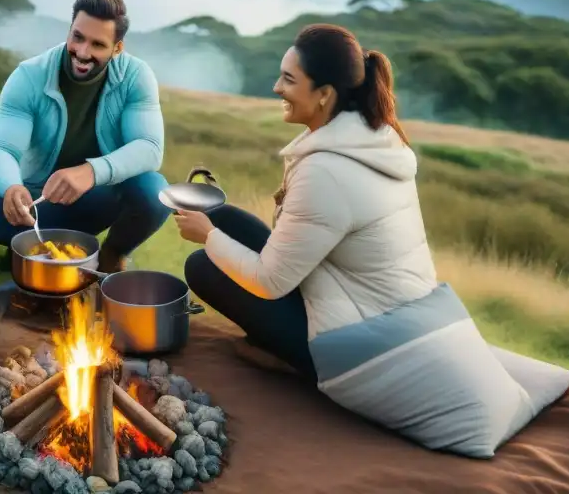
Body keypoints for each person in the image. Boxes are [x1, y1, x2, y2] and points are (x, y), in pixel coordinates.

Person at [177, 24, 438, 381]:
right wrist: (214, 227)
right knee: (223, 218)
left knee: (202, 266)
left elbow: (268, 281)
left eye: (288, 79)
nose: (276, 88)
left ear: (324, 95)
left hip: (361, 349)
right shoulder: (368, 134)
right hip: (382, 311)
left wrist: (207, 235)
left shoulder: (326, 173)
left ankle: (296, 361)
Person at [0, 0, 171, 273]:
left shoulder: (136, 76)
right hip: (39, 202)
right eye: (78, 37)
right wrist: (12, 186)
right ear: (69, 30)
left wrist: (89, 172)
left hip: (100, 197)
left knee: (154, 190)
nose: (83, 52)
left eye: (98, 44)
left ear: (117, 48)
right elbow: (2, 149)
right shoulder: (29, 76)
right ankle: (35, 246)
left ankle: (111, 255)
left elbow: (149, 147)